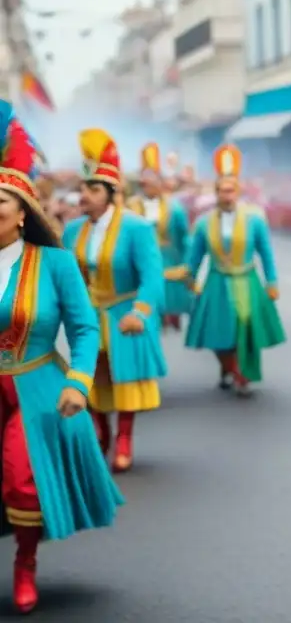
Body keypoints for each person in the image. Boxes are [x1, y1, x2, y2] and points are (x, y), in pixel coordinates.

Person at [0, 107, 122, 613]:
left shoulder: (54, 263)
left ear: (23, 211)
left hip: (36, 388)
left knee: (21, 478)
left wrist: (78, 381)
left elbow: (85, 329)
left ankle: (25, 564)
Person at [63, 129, 168, 474]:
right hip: (89, 316)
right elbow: (67, 277)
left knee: (124, 378)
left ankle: (124, 438)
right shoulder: (72, 230)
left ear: (111, 193)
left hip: (124, 314)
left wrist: (141, 312)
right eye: (83, 188)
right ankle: (101, 432)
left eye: (94, 189)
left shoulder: (136, 228)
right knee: (91, 377)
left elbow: (152, 277)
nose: (85, 195)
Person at [184, 144, 284, 395]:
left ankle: (242, 375)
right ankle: (226, 367)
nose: (225, 195)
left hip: (247, 279)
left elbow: (266, 252)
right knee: (218, 330)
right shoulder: (204, 222)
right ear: (215, 192)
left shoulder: (255, 219)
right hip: (217, 280)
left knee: (246, 327)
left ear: (238, 192)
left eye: (230, 190)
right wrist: (190, 278)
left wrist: (272, 282)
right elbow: (195, 255)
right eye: (221, 190)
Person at [125, 142, 193, 331]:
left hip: (167, 259)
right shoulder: (130, 206)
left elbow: (184, 238)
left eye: (152, 179)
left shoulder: (174, 207)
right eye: (144, 180)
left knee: (168, 301)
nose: (147, 184)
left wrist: (187, 265)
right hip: (139, 258)